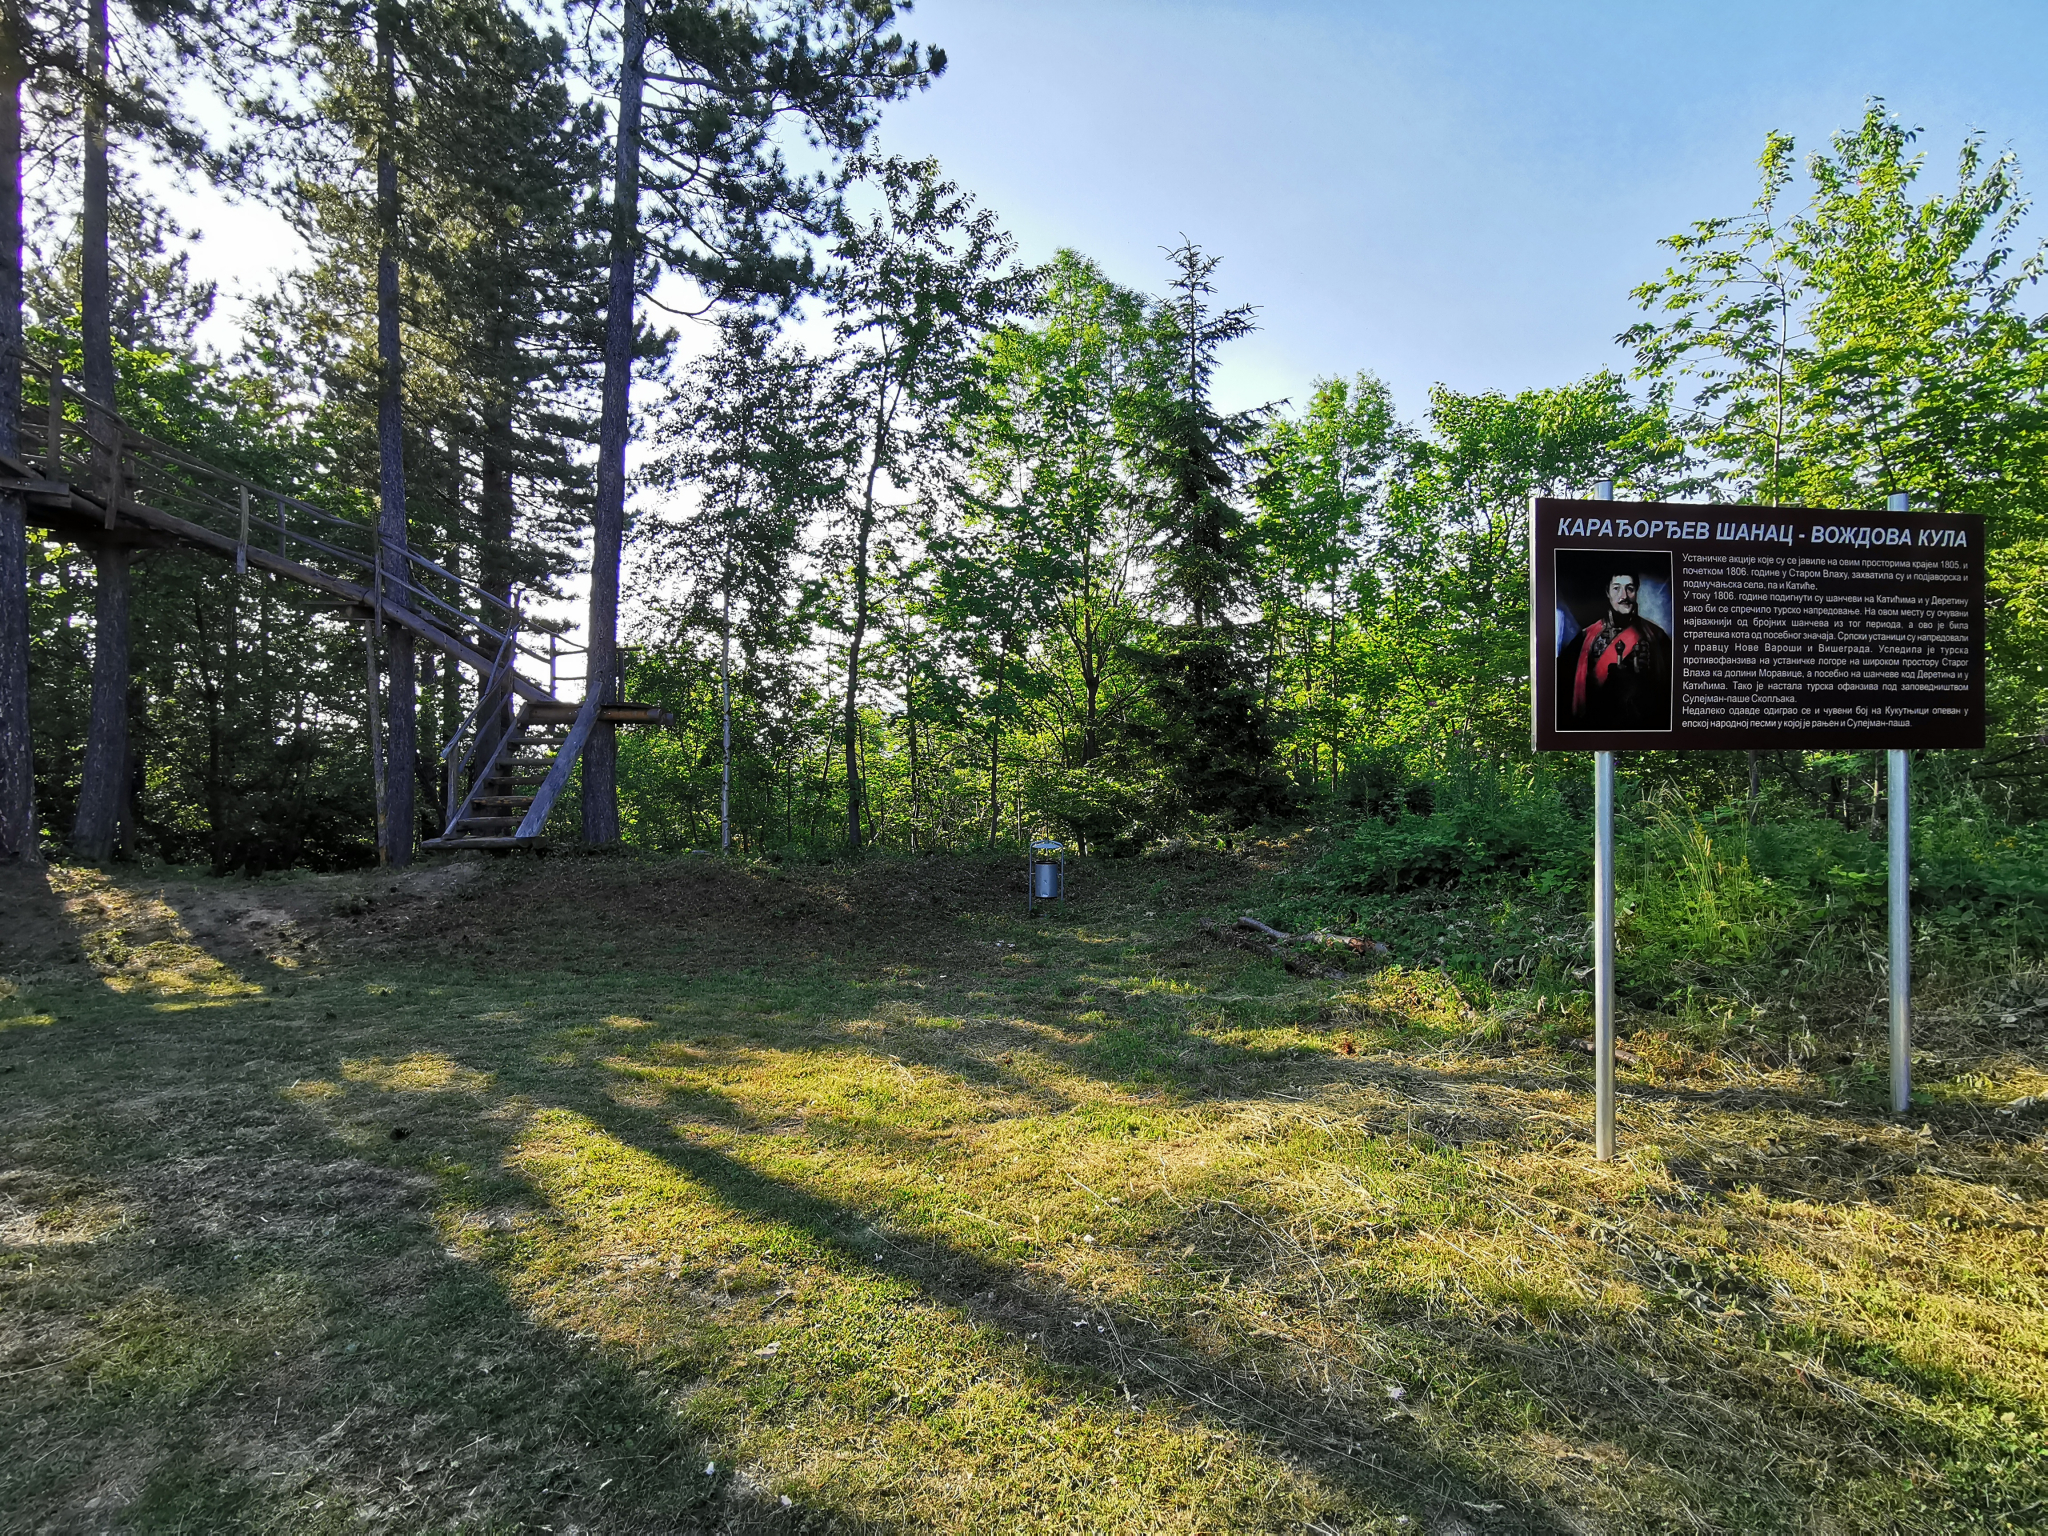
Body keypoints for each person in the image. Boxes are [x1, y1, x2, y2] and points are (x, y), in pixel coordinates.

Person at [1557, 571, 1671, 731]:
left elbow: (1668, 694)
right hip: (1595, 726)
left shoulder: (1656, 636)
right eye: (1617, 588)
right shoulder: (1585, 639)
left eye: (1629, 588)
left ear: (1636, 592)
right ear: (1607, 593)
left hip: (1642, 730)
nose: (1624, 595)